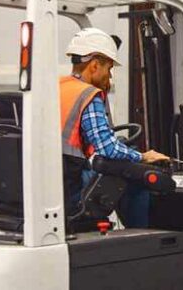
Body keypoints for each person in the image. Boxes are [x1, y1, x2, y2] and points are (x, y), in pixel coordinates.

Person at [59, 28, 170, 228]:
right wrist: (143, 157)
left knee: (121, 163)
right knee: (135, 179)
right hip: (71, 187)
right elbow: (107, 148)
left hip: (56, 181)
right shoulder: (88, 94)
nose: (109, 77)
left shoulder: (59, 87)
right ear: (94, 65)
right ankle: (142, 237)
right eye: (108, 69)